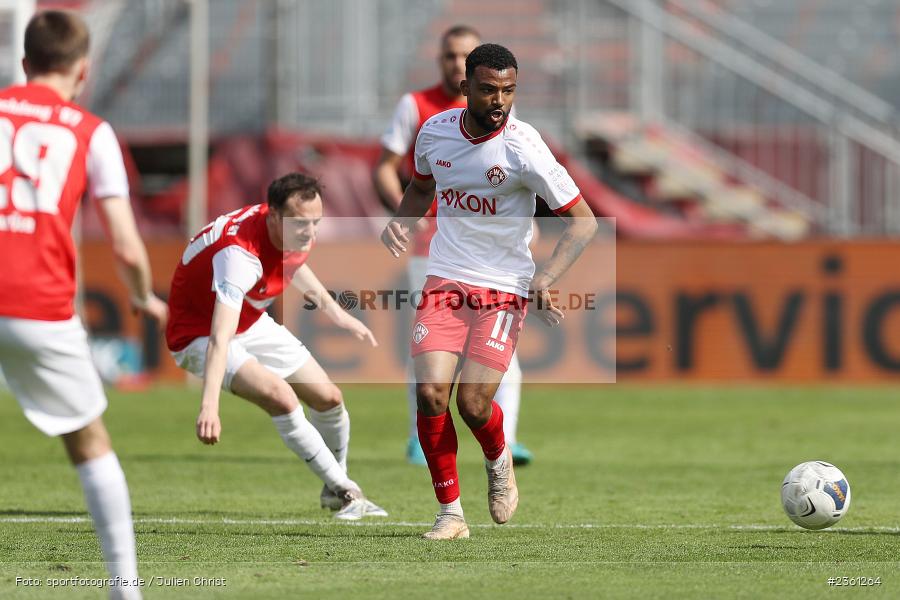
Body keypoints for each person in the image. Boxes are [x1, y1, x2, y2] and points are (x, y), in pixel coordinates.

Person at [381, 44, 598, 540]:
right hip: (446, 276)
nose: (499, 100)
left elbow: (583, 222)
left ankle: (499, 463)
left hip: (504, 286)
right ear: (465, 88)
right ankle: (451, 514)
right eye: (488, 89)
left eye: (508, 90)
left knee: (474, 404)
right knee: (432, 392)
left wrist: (544, 279)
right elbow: (421, 186)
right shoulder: (434, 132)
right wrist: (401, 222)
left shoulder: (525, 147)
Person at [0, 11, 168, 599]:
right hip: (37, 304)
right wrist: (143, 294)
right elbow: (123, 241)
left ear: (23, 64)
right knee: (89, 442)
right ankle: (126, 591)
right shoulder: (89, 129)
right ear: (83, 70)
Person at [166, 172, 387, 521]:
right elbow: (218, 337)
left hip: (250, 320)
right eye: (302, 224)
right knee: (282, 398)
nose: (311, 233)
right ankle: (348, 494)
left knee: (329, 397)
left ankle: (334, 486)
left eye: (317, 222)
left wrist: (336, 313)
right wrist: (209, 405)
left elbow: (294, 264)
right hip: (198, 334)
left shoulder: (291, 227)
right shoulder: (238, 257)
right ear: (273, 216)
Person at [374, 25, 533, 467]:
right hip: (434, 250)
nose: (452, 61)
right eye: (448, 55)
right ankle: (416, 436)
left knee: (500, 359)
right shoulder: (418, 108)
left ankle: (508, 438)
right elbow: (387, 169)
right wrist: (407, 220)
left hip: (494, 265)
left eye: (461, 53)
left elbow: (519, 185)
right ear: (454, 69)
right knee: (427, 352)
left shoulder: (499, 112)